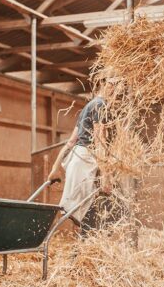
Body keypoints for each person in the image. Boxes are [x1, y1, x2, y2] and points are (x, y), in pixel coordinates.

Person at [47, 78, 115, 232]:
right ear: (106, 85)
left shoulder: (87, 107)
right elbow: (100, 140)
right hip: (86, 161)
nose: (118, 90)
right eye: (114, 85)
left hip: (77, 160)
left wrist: (55, 168)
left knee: (83, 211)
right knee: (87, 211)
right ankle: (86, 249)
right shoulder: (100, 105)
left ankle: (86, 248)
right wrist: (106, 175)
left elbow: (71, 142)